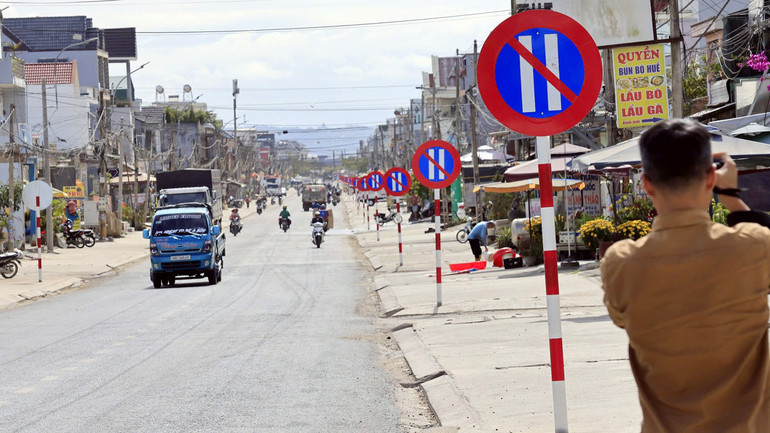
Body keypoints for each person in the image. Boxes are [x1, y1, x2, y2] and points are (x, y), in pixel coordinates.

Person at [601, 118, 770, 433]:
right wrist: (731, 195)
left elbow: (620, 317)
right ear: (710, 177)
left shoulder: (621, 263)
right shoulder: (751, 247)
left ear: (647, 183)